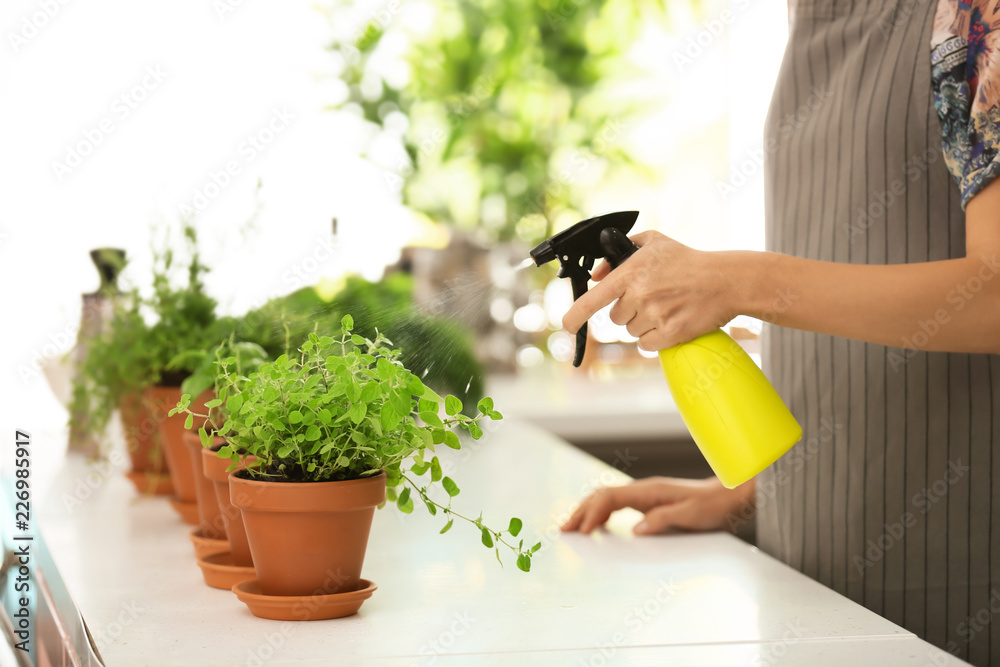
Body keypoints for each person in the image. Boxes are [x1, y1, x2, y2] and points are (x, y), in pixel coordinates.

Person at [559, 0, 1000, 664]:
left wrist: (738, 282)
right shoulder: (809, 17)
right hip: (811, 587)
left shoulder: (972, 16)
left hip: (953, 586)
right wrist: (753, 495)